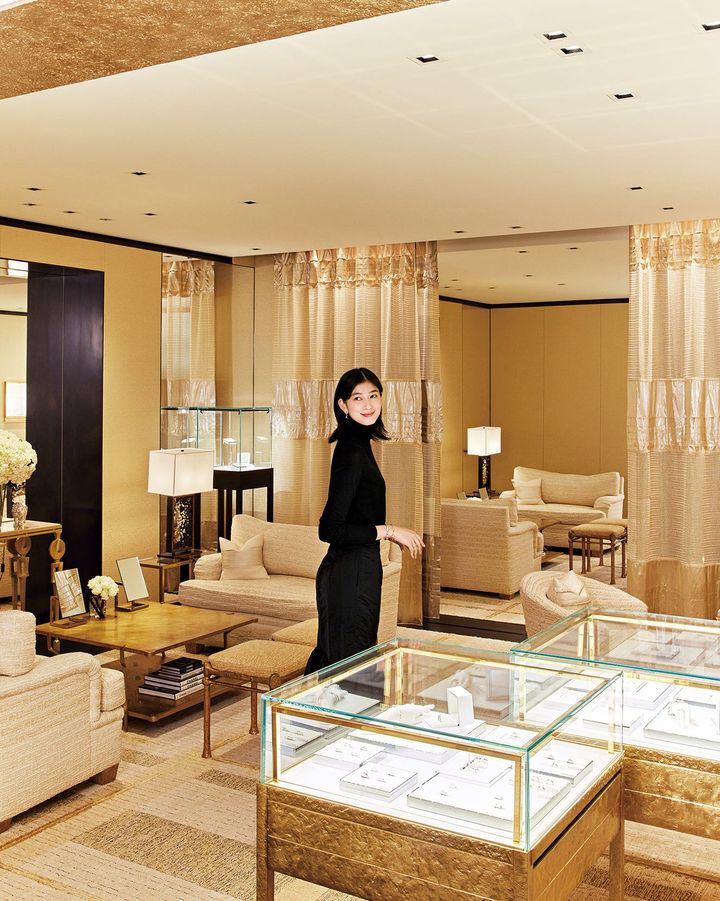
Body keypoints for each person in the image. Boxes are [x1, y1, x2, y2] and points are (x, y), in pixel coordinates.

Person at [304, 367, 424, 675]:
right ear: (343, 404)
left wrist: (386, 533)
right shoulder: (351, 452)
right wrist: (389, 531)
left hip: (359, 569)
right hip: (349, 575)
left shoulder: (359, 444)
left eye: (373, 396)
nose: (368, 405)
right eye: (357, 398)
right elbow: (330, 529)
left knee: (350, 664)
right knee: (348, 671)